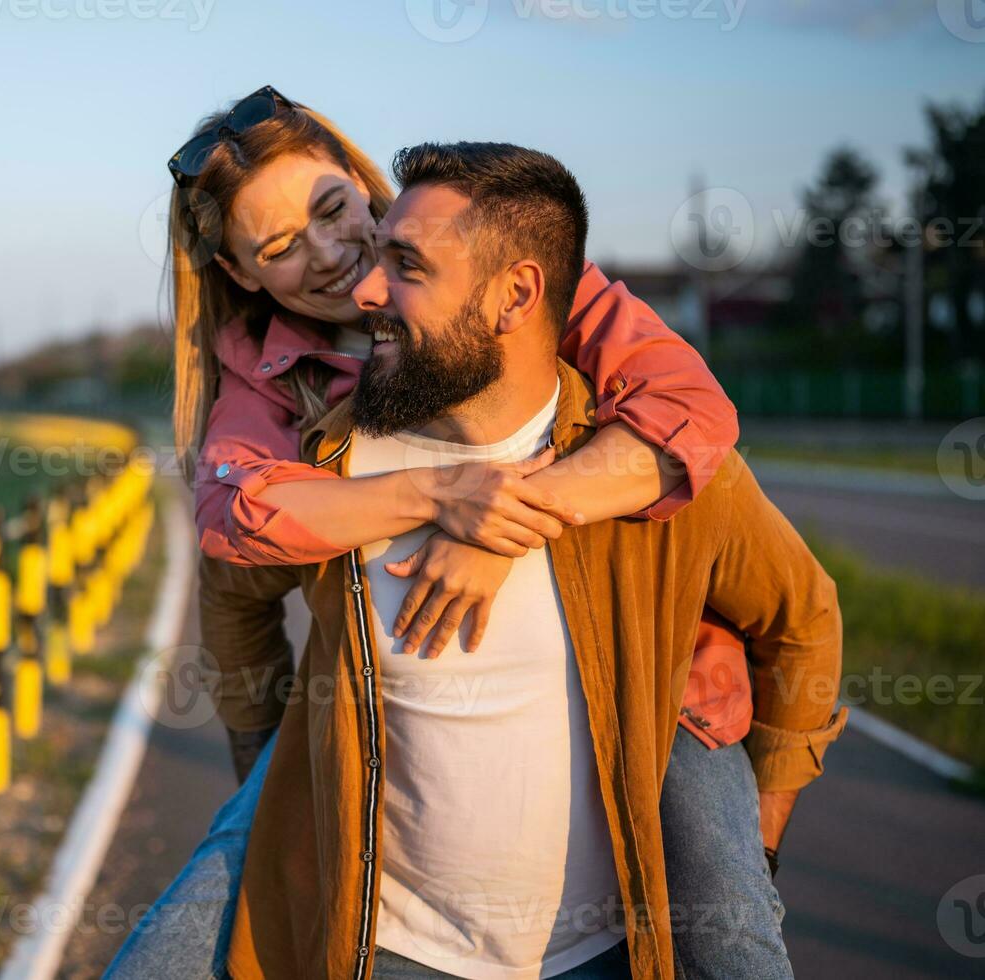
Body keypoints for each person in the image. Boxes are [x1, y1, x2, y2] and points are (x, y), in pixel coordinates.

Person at [106, 89, 814, 979]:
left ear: (361, 182)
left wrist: (502, 526)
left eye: (333, 211)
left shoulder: (518, 273)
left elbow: (689, 411)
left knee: (729, 928)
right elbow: (234, 522)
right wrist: (441, 492)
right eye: (281, 248)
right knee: (173, 949)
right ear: (243, 275)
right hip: (357, 734)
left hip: (653, 675)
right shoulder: (270, 384)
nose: (332, 256)